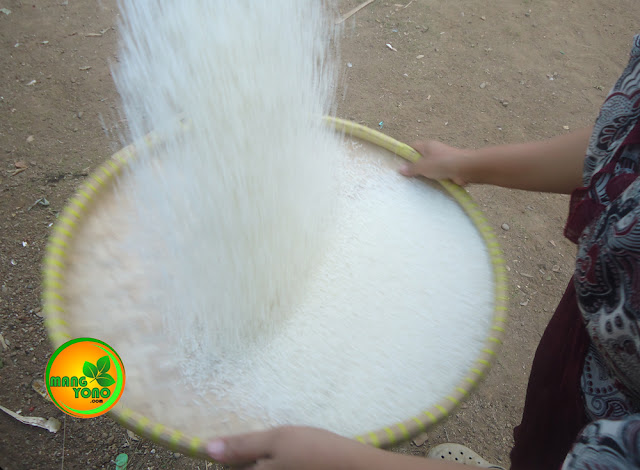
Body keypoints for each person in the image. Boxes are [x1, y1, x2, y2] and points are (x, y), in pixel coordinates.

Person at [205, 35, 640, 469]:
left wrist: (349, 463)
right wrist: (470, 163)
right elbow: (622, 143)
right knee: (544, 444)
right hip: (601, 323)